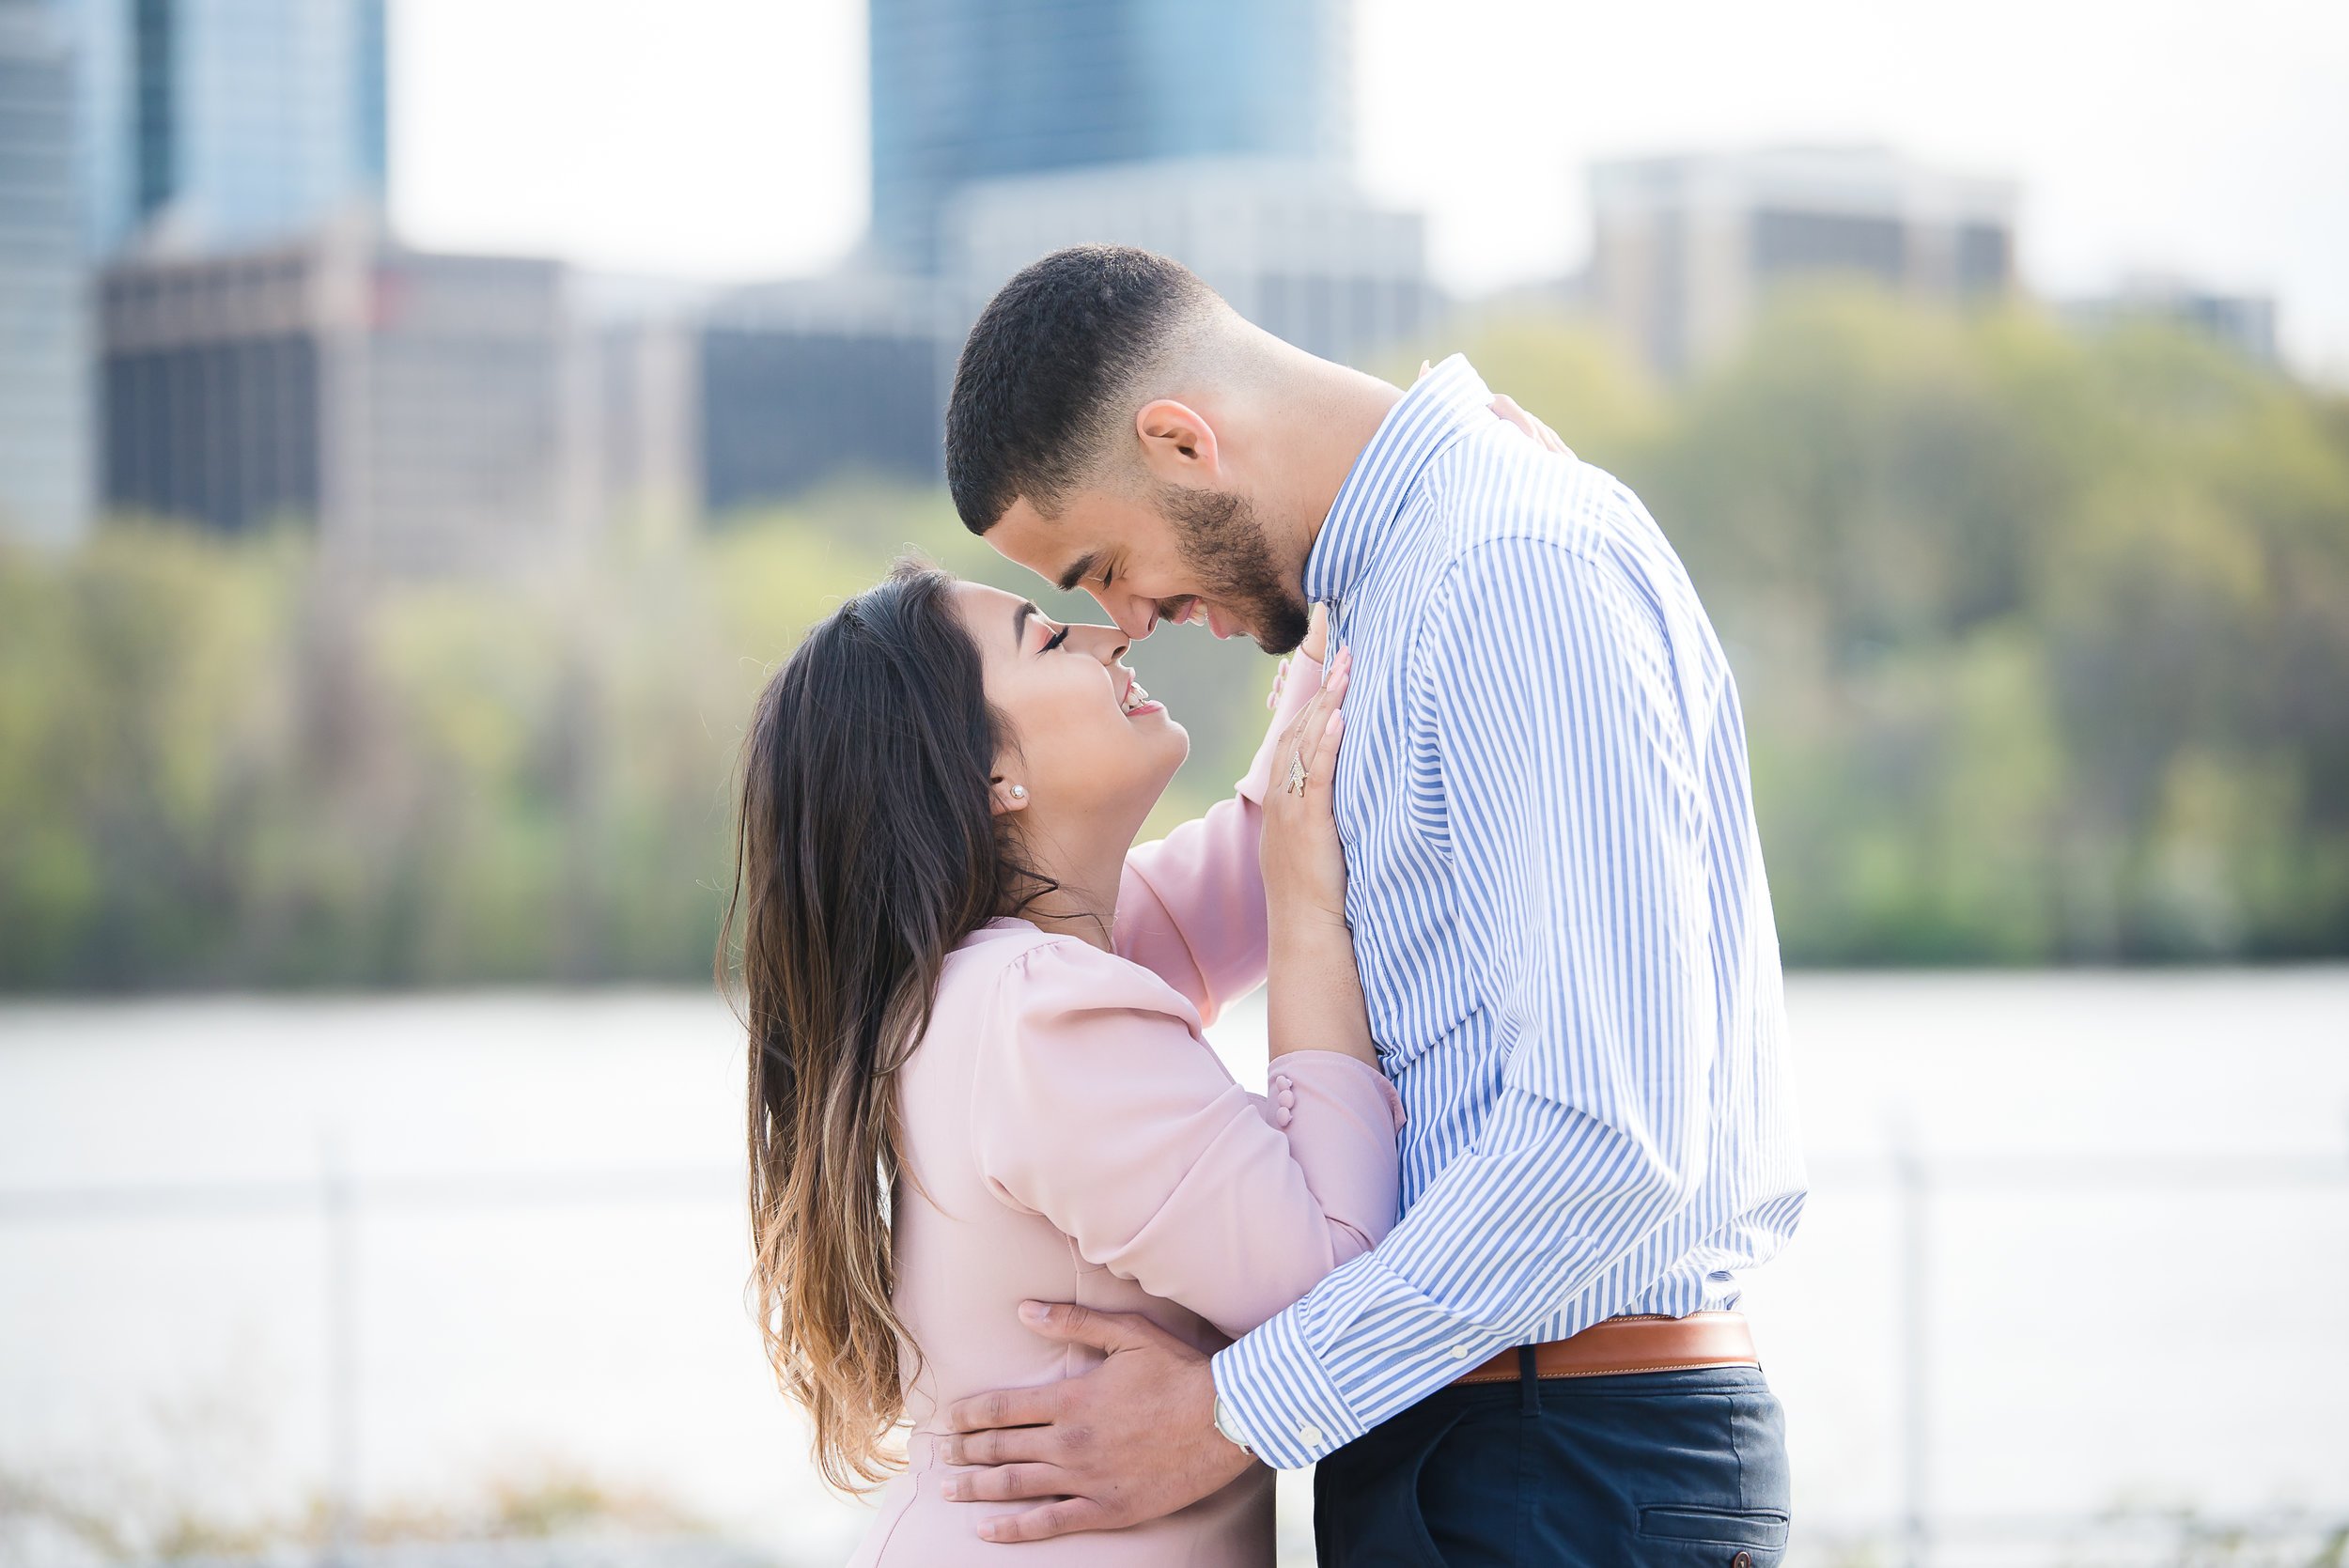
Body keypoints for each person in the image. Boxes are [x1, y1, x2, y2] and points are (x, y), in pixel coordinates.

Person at [933, 245, 1810, 1567]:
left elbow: (1609, 1131)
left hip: (1563, 1455)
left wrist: (1233, 1414)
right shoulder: (1398, 594)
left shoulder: (1507, 568)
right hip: (1476, 1436)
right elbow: (1130, 924)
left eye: (1108, 565)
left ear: (1179, 441)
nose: (1132, 620)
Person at [723, 560, 1405, 1565]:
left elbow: (1266, 839)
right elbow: (1339, 1278)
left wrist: (1343, 590)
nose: (1107, 637)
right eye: (1046, 638)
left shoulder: (997, 980)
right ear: (990, 778)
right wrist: (1311, 911)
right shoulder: (1037, 1009)